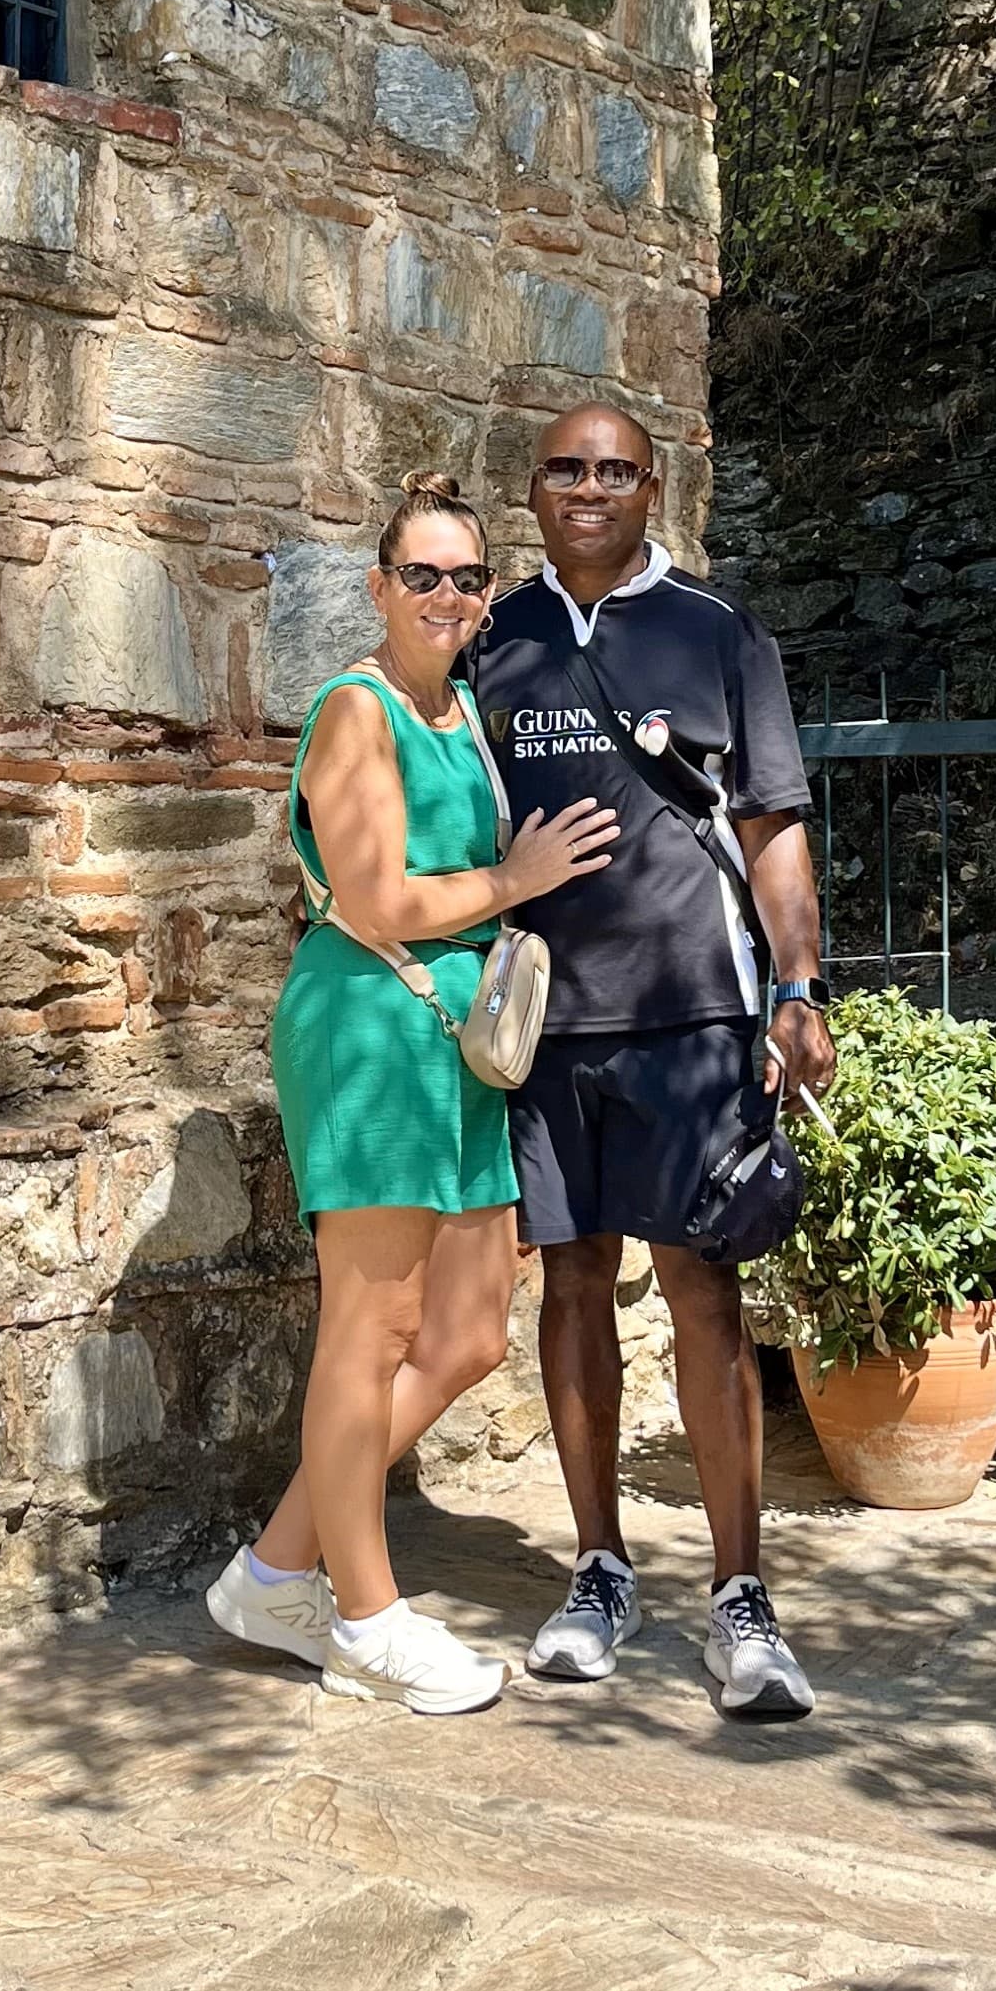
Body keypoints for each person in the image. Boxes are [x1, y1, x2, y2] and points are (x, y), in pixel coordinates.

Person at [205, 472, 619, 1715]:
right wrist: (516, 875)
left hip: (460, 1035)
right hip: (373, 1032)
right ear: (380, 589)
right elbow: (378, 898)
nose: (445, 595)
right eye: (421, 575)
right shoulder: (357, 711)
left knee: (467, 1333)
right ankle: (365, 1620)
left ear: (485, 597)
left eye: (465, 577)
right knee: (370, 1332)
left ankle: (277, 1568)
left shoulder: (463, 715)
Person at [464, 404, 836, 1720]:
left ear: (650, 486)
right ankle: (600, 1567)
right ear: (535, 487)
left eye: (615, 470)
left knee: (703, 1294)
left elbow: (773, 821)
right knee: (567, 1290)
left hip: (692, 1018)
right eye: (567, 468)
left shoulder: (717, 632)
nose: (589, 487)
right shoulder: (489, 637)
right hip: (548, 1026)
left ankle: (741, 1596)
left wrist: (795, 990)